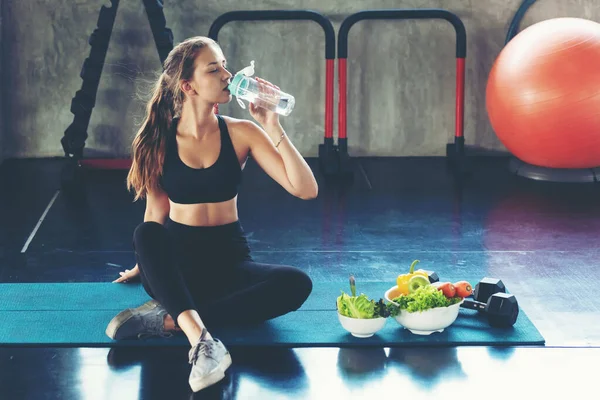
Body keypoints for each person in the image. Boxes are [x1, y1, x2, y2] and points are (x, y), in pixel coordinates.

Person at [104, 36, 317, 393]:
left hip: (230, 262)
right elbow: (156, 211)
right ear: (188, 85)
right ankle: (203, 341)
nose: (226, 75)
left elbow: (305, 189)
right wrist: (146, 264)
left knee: (297, 283)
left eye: (225, 66)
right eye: (214, 68)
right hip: (177, 266)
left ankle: (171, 321)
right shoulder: (157, 139)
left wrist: (273, 124)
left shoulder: (242, 132)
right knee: (146, 235)